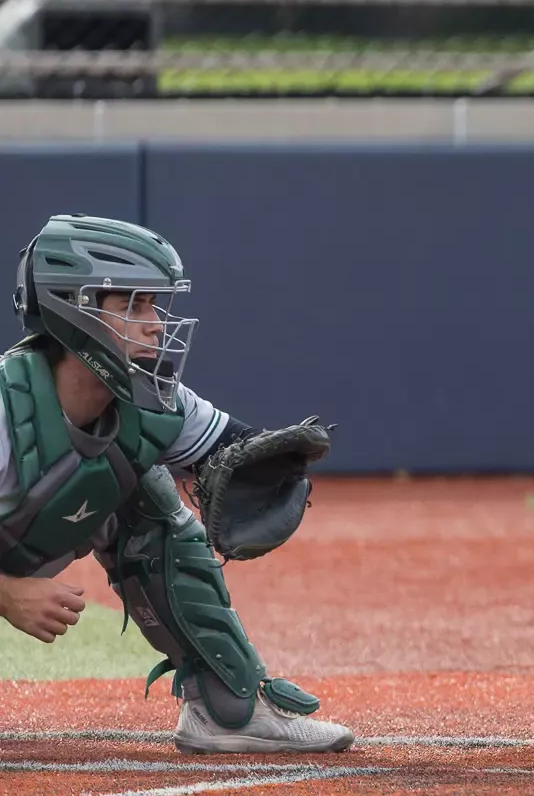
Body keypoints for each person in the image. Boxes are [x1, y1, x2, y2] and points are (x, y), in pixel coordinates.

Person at [0, 214, 353, 754]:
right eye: (134, 305)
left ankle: (226, 708)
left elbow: (233, 448)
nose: (156, 323)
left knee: (151, 496)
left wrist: (278, 463)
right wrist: (8, 593)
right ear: (75, 309)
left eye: (155, 304)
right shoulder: (7, 409)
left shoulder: (154, 403)